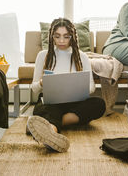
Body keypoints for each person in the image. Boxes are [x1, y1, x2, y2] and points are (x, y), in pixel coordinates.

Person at [26, 18, 105, 152]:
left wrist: (78, 85)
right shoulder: (43, 55)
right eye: (57, 36)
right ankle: (52, 131)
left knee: (99, 104)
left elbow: (92, 87)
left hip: (75, 103)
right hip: (51, 103)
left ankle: (45, 126)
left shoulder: (82, 57)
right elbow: (34, 89)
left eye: (66, 36)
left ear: (72, 37)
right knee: (42, 108)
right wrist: (41, 83)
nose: (61, 41)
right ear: (52, 37)